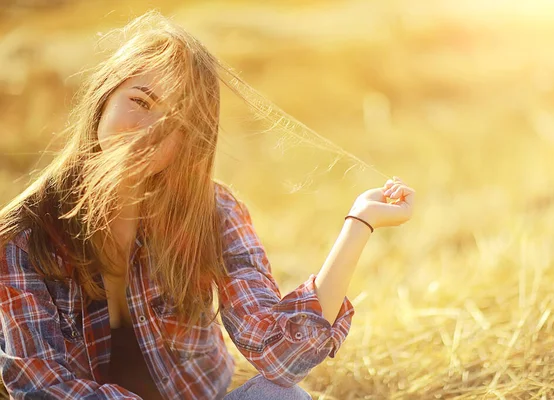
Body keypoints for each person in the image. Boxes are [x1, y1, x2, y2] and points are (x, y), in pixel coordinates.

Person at [0, 10, 415, 400]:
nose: (150, 131)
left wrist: (360, 222)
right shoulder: (22, 233)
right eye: (141, 102)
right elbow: (40, 383)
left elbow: (280, 354)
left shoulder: (212, 210)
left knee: (282, 395)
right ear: (104, 97)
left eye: (176, 123)